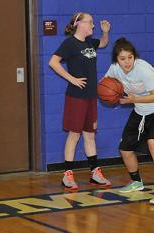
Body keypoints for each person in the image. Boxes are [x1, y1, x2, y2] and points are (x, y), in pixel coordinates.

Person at [105, 38, 154, 204]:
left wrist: (132, 99)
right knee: (125, 149)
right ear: (116, 60)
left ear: (134, 57)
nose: (127, 62)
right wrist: (110, 93)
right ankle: (136, 182)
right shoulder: (115, 69)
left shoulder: (143, 69)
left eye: (130, 57)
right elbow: (105, 84)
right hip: (140, 111)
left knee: (153, 143)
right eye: (122, 59)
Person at [48, 12, 112, 190]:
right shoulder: (70, 43)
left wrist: (105, 32)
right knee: (74, 135)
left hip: (91, 96)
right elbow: (53, 62)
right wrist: (72, 79)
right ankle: (67, 176)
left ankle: (95, 173)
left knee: (90, 135)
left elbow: (104, 42)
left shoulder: (90, 43)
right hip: (76, 97)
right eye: (90, 22)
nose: (93, 26)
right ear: (79, 24)